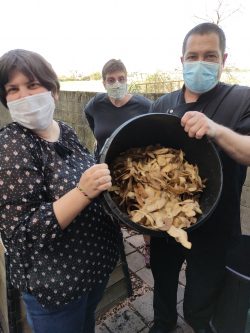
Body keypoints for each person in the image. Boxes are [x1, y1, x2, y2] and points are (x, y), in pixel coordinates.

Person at [0, 49, 122, 333]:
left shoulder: (64, 130)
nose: (25, 96)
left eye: (33, 85)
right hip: (57, 289)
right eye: (13, 89)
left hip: (94, 269)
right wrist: (82, 192)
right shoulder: (12, 146)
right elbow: (19, 233)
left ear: (53, 91)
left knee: (86, 324)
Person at [149, 22, 250, 333]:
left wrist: (216, 129)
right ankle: (163, 325)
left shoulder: (241, 99)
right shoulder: (163, 104)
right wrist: (146, 224)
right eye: (192, 56)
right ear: (182, 61)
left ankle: (199, 323)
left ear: (223, 60)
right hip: (166, 221)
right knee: (163, 283)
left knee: (199, 302)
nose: (200, 62)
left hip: (216, 225)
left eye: (210, 56)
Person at [84, 59, 152, 267]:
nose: (117, 83)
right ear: (104, 83)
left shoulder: (143, 104)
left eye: (121, 78)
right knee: (112, 208)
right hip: (106, 166)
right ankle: (116, 247)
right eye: (111, 80)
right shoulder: (96, 104)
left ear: (126, 79)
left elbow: (153, 129)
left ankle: (148, 246)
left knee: (142, 207)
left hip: (135, 167)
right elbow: (91, 121)